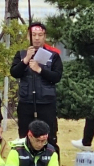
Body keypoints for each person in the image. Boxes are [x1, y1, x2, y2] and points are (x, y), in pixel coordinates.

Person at [10, 22, 63, 153]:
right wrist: (26, 60)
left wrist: (40, 70)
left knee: (49, 136)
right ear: (29, 37)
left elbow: (56, 77)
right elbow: (14, 73)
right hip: (26, 101)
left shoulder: (53, 55)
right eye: (34, 35)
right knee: (24, 135)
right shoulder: (21, 54)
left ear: (45, 36)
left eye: (40, 35)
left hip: (46, 102)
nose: (37, 38)